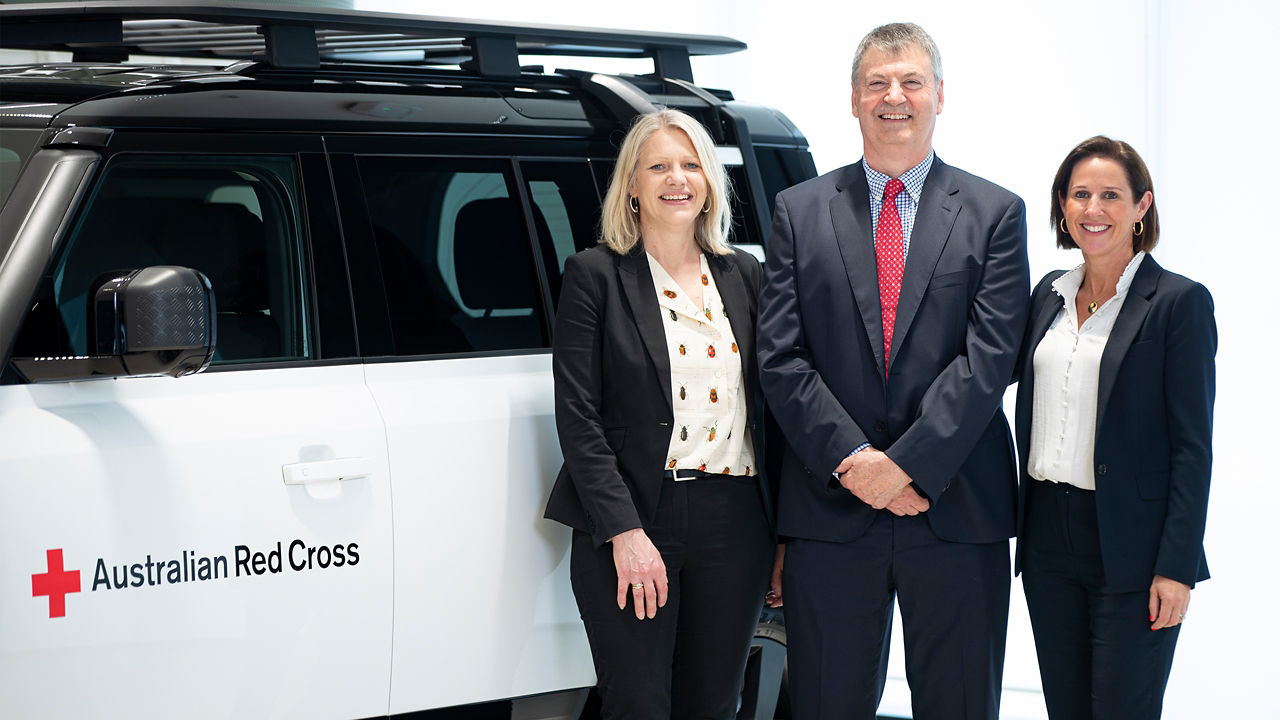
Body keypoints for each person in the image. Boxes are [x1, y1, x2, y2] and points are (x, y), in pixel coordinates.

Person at [757, 22, 1029, 720]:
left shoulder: (995, 213)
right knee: (824, 705)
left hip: (955, 506)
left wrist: (903, 466)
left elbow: (989, 357)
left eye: (910, 81)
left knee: (961, 705)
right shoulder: (798, 210)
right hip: (831, 509)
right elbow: (782, 358)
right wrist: (854, 461)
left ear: (939, 95)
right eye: (876, 83)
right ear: (853, 100)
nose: (894, 97)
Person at [543, 108, 779, 719]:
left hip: (736, 522)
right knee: (639, 705)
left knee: (714, 705)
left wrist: (784, 536)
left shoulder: (746, 274)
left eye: (690, 164)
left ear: (709, 182)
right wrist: (624, 532)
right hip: (637, 515)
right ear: (632, 186)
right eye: (658, 166)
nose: (677, 178)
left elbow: (774, 411)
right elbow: (579, 419)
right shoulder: (594, 276)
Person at [1014, 136, 1215, 719]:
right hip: (1048, 535)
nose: (1093, 209)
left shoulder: (1178, 302)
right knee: (1066, 708)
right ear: (1062, 205)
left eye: (1110, 195)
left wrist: (1175, 569)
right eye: (1080, 195)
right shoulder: (1046, 296)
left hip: (1134, 544)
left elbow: (1192, 449)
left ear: (1141, 206)